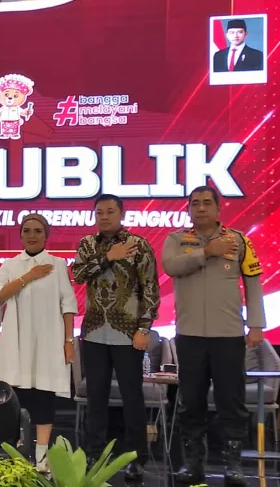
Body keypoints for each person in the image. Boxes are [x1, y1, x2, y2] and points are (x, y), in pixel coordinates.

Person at [163, 186, 265, 485]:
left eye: (207, 203)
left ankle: (233, 466)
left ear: (219, 209)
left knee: (231, 401)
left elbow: (253, 281)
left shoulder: (239, 240)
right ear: (188, 209)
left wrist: (256, 325)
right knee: (191, 401)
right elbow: (170, 266)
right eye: (195, 203)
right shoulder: (177, 240)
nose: (201, 208)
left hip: (228, 336)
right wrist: (206, 252)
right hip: (190, 335)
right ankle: (193, 464)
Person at [71, 194, 159, 481]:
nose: (104, 216)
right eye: (99, 212)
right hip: (94, 332)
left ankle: (136, 458)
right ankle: (94, 456)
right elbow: (79, 274)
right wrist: (109, 256)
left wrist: (144, 328)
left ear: (122, 214)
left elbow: (150, 288)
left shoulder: (138, 245)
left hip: (128, 333)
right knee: (95, 398)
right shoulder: (87, 244)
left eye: (110, 211)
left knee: (132, 398)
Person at [0, 214, 77, 473]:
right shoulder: (10, 265)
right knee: (18, 397)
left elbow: (68, 304)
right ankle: (19, 454)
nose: (32, 235)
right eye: (26, 230)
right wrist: (28, 276)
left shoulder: (57, 264)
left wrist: (69, 340)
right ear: (20, 235)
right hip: (17, 341)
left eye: (38, 231)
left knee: (44, 397)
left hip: (48, 341)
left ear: (46, 235)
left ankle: (41, 458)